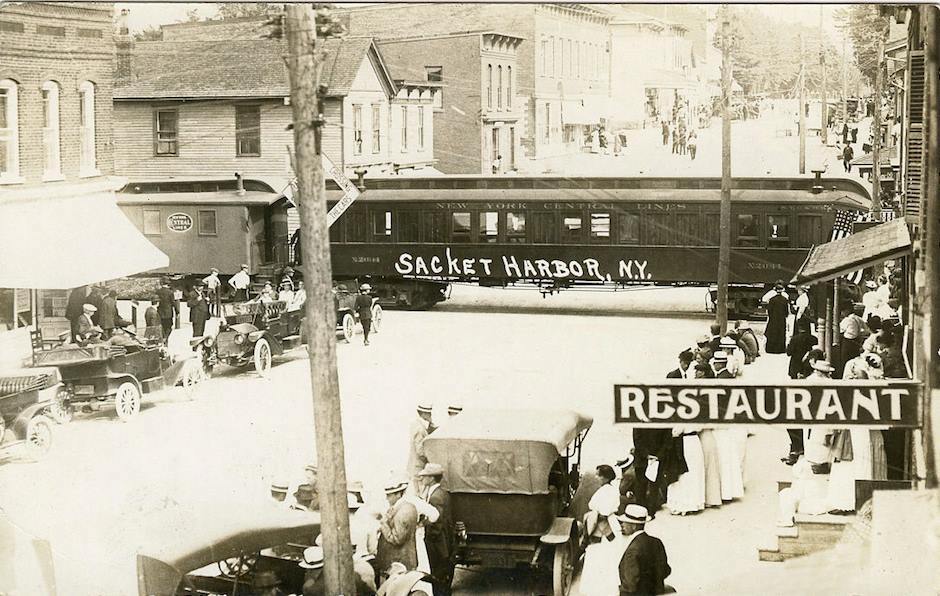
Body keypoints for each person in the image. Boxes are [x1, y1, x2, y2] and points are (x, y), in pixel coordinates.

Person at [581, 465, 624, 596]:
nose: (597, 477)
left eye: (599, 475)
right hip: (610, 523)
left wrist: (589, 529)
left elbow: (602, 513)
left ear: (605, 478)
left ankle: (597, 590)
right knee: (608, 558)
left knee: (598, 556)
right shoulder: (611, 490)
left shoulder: (605, 491)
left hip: (603, 525)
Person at [416, 463, 454, 595]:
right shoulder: (442, 493)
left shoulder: (435, 497)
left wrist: (426, 537)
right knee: (444, 582)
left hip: (438, 547)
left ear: (431, 478)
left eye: (425, 476)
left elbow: (436, 525)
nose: (422, 478)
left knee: (438, 583)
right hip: (445, 545)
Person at [617, 505, 672, 596]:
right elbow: (666, 570)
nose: (622, 525)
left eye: (625, 522)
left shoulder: (632, 550)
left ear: (634, 526)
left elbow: (630, 584)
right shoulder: (656, 542)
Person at [375, 477, 419, 582]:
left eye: (389, 495)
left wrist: (383, 525)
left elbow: (397, 539)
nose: (387, 498)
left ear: (398, 494)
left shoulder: (405, 511)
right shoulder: (400, 508)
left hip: (399, 565)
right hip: (396, 564)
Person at [631, 427, 671, 516]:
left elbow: (637, 439)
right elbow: (667, 441)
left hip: (645, 458)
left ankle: (644, 512)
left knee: (645, 486)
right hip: (652, 459)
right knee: (650, 486)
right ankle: (648, 513)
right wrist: (657, 456)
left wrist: (648, 455)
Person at [665, 426, 705, 516]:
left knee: (684, 475)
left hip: (685, 443)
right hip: (695, 442)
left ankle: (683, 505)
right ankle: (694, 503)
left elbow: (676, 431)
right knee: (694, 473)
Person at [838, 303, 867, 377]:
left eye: (843, 311)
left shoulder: (847, 320)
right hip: (857, 341)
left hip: (848, 342)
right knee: (855, 361)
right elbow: (865, 329)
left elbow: (840, 330)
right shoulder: (858, 318)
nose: (842, 313)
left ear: (847, 310)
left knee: (845, 361)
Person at [408, 403, 433, 480]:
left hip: (415, 467)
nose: (430, 415)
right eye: (429, 413)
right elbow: (420, 451)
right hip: (419, 468)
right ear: (423, 414)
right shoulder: (420, 429)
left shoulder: (416, 424)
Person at [764, 281, 790, 354]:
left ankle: (771, 349)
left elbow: (769, 310)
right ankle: (780, 349)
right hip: (782, 320)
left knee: (772, 333)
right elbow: (786, 312)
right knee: (781, 333)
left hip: (773, 320)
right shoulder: (785, 299)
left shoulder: (772, 299)